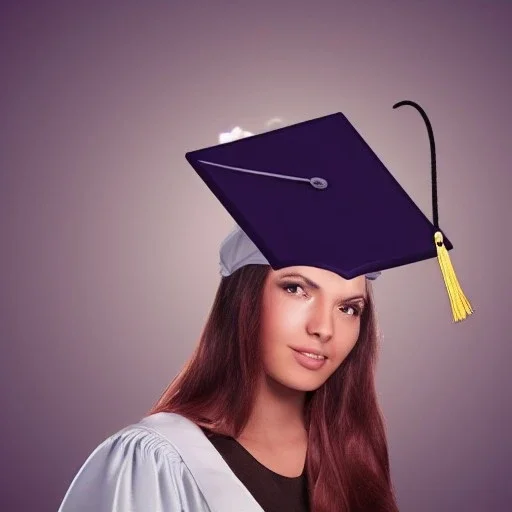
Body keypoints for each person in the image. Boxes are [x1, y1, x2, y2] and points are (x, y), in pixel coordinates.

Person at [58, 100, 473, 512]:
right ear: (243, 297)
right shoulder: (155, 461)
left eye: (349, 308)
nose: (323, 328)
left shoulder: (352, 457)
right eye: (296, 289)